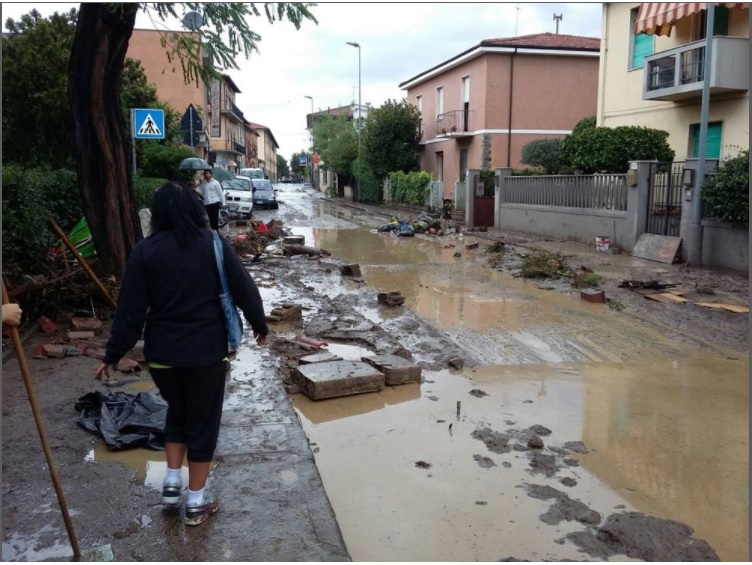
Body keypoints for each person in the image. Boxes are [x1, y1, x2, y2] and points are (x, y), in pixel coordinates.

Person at [94, 181, 269, 527]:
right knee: (202, 424)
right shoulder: (213, 243)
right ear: (193, 208)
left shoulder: (145, 251)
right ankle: (196, 502)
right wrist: (259, 325)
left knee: (177, 413)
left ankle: (172, 484)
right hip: (206, 355)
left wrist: (112, 354)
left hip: (162, 357)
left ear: (159, 214)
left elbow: (129, 312)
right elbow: (244, 289)